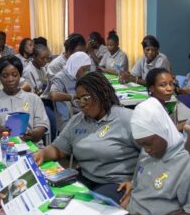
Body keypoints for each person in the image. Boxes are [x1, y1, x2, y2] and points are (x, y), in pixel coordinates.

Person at [34, 72, 139, 203]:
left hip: (116, 183)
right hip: (85, 178)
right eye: (78, 100)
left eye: (85, 98)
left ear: (102, 93)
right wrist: (43, 153)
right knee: (51, 197)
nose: (81, 104)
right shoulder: (77, 120)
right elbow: (59, 148)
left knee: (92, 209)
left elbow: (151, 155)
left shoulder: (128, 118)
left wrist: (136, 182)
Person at [0, 56, 49, 143]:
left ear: (20, 75)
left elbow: (41, 126)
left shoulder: (34, 99)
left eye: (14, 75)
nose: (10, 79)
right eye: (5, 76)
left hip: (31, 147)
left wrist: (32, 134)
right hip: (2, 147)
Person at [49, 52, 92, 123]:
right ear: (76, 66)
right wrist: (74, 97)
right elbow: (53, 95)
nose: (85, 73)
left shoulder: (79, 76)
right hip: (69, 119)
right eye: (84, 70)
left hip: (82, 113)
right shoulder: (60, 78)